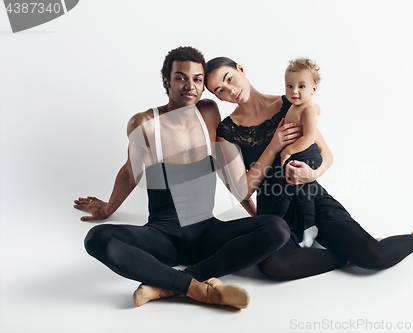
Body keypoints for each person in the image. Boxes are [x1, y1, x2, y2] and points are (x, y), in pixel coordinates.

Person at [205, 56, 413, 280]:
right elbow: (242, 189)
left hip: (310, 195)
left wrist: (313, 173)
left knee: (375, 258)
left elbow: (326, 154)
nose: (230, 90)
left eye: (229, 79)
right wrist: (273, 147)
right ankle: (346, 255)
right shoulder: (227, 130)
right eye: (220, 90)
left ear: (240, 69)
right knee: (274, 267)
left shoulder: (291, 102)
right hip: (274, 210)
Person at [73, 46, 289, 309]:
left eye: (197, 79)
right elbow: (131, 172)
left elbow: (225, 169)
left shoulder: (208, 112)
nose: (190, 86)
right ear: (166, 81)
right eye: (181, 77)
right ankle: (200, 290)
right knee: (97, 238)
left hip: (207, 232)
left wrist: (254, 215)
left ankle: (172, 285)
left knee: (277, 228)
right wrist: (107, 209)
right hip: (163, 236)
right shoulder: (144, 122)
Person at [269, 57, 323, 248]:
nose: (294, 91)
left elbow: (308, 138)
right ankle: (309, 226)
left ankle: (273, 222)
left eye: (301, 86)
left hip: (307, 156)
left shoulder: (307, 109)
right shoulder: (297, 106)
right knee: (303, 193)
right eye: (289, 86)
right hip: (299, 155)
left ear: (313, 90)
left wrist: (288, 151)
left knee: (286, 189)